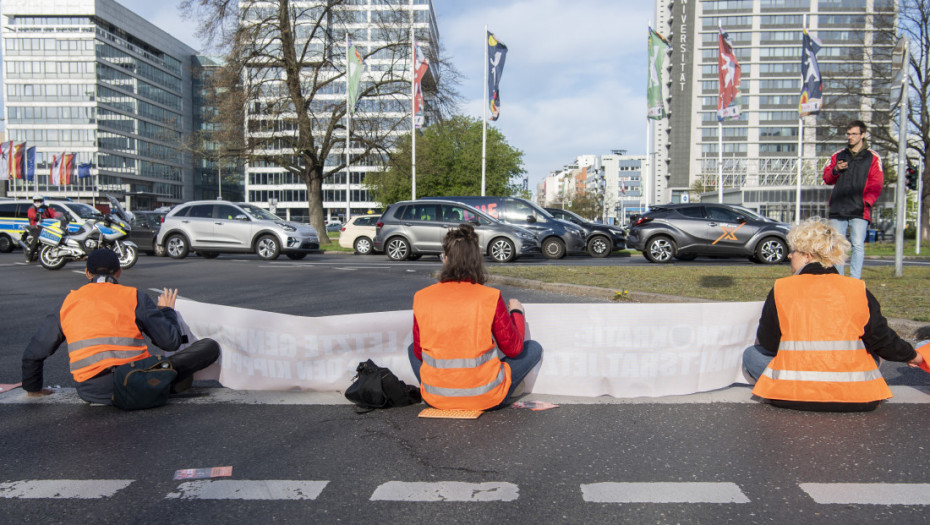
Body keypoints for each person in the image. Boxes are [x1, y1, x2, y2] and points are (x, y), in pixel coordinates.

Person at [743, 218, 923, 411]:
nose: (789, 256)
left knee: (751, 354)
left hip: (792, 393)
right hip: (857, 396)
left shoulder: (782, 288)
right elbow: (883, 339)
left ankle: (780, 388)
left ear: (807, 255)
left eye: (793, 251)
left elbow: (769, 343)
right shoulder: (857, 289)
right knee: (869, 349)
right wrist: (914, 357)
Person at [22, 249, 220, 406]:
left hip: (92, 390)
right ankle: (168, 381)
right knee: (209, 346)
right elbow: (171, 342)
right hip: (140, 380)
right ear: (119, 272)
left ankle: (167, 382)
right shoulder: (134, 296)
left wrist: (34, 388)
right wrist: (166, 311)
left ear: (87, 273)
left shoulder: (68, 302)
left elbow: (34, 351)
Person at [408, 224, 543, 410]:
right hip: (485, 397)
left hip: (436, 398)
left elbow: (418, 352)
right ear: (477, 262)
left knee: (411, 349)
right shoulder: (490, 296)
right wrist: (517, 313)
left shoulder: (422, 297)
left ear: (446, 259)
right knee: (533, 348)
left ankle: (441, 389)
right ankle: (506, 385)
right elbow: (514, 349)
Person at [822, 119, 884, 279]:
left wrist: (867, 202)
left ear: (862, 135)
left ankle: (855, 279)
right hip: (838, 208)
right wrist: (835, 170)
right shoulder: (838, 155)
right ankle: (839, 279)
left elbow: (876, 183)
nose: (850, 137)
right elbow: (827, 178)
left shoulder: (873, 157)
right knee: (837, 246)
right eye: (848, 134)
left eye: (854, 134)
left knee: (857, 245)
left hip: (859, 209)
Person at [25, 194, 55, 262]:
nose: (37, 202)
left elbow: (53, 213)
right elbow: (33, 215)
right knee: (37, 239)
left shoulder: (46, 208)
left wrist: (59, 215)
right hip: (34, 227)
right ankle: (29, 255)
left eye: (39, 201)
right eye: (36, 201)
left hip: (45, 226)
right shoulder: (32, 208)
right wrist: (38, 215)